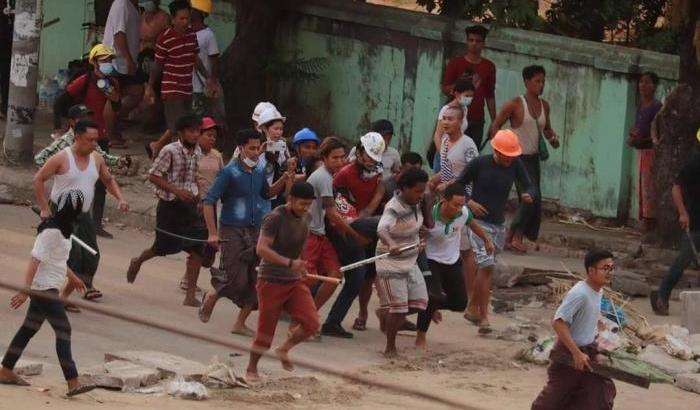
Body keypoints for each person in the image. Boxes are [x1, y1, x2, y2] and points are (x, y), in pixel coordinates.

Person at [0, 190, 96, 396]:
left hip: (49, 284)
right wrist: (26, 290)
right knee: (64, 329)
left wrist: (71, 276)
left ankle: (6, 370)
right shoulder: (51, 231)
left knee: (29, 328)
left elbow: (56, 259)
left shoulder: (64, 229)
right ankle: (73, 381)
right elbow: (35, 260)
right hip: (43, 288)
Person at [198, 129, 291, 335]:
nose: (256, 152)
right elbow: (209, 201)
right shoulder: (229, 173)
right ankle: (213, 295)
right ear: (241, 149)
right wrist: (212, 233)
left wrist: (284, 179)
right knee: (236, 280)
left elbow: (267, 194)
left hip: (256, 231)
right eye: (252, 148)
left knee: (258, 280)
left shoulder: (258, 172)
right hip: (232, 231)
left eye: (258, 148)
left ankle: (240, 323)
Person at [34, 120, 129, 306]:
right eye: (90, 140)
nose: (94, 144)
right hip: (61, 213)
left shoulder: (97, 158)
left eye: (96, 140)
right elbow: (38, 179)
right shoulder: (61, 158)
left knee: (91, 255)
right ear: (77, 137)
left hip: (83, 215)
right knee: (73, 256)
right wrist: (44, 208)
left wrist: (121, 198)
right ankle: (62, 298)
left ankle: (79, 288)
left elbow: (108, 180)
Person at [456, 130, 534, 333]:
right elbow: (458, 185)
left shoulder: (515, 165)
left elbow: (529, 185)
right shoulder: (479, 164)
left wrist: (528, 194)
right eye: (506, 155)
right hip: (477, 222)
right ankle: (482, 316)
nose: (509, 159)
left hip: (498, 224)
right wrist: (469, 202)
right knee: (487, 266)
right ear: (495, 151)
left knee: (487, 269)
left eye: (512, 156)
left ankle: (476, 308)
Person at [126, 115, 205, 307]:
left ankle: (190, 295)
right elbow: (153, 175)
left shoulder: (197, 152)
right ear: (181, 133)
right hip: (169, 205)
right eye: (191, 131)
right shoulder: (169, 151)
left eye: (198, 131)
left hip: (189, 206)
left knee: (197, 249)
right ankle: (138, 261)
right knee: (161, 247)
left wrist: (199, 196)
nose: (196, 135)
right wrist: (176, 190)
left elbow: (194, 177)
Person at [246, 181, 320, 382]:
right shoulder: (275, 218)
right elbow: (261, 249)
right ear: (291, 199)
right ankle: (251, 368)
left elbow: (302, 245)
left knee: (312, 323)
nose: (305, 208)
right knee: (265, 333)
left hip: (294, 280)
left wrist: (302, 266)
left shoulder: (307, 217)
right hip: (271, 279)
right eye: (302, 204)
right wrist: (289, 263)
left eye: (308, 204)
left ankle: (284, 349)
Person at [531, 248, 617, 410]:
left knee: (597, 394)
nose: (610, 272)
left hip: (586, 352)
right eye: (605, 268)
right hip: (568, 355)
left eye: (611, 268)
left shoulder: (598, 291)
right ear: (591, 270)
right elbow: (558, 322)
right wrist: (576, 353)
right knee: (552, 401)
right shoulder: (580, 293)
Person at [489, 65, 560, 253]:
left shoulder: (545, 106)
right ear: (527, 82)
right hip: (516, 157)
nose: (541, 85)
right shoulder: (515, 104)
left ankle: (515, 237)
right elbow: (495, 126)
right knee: (530, 196)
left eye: (543, 81)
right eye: (537, 81)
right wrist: (500, 149)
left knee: (531, 199)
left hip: (533, 158)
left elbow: (546, 129)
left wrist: (553, 138)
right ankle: (511, 236)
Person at [60, 44, 127, 238]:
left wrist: (115, 98)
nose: (107, 64)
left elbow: (116, 108)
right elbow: (62, 101)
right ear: (94, 62)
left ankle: (95, 224)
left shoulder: (112, 82)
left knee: (101, 181)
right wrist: (65, 125)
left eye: (109, 60)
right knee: (72, 175)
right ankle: (68, 218)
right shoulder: (84, 80)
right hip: (81, 135)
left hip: (100, 135)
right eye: (104, 60)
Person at [322, 132, 385, 338]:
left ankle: (332, 322)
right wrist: (356, 234)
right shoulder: (344, 175)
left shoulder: (377, 174)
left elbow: (379, 193)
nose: (371, 161)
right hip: (344, 228)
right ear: (358, 153)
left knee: (356, 278)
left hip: (360, 226)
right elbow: (339, 211)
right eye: (368, 156)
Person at [416, 183, 493, 348]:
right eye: (456, 205)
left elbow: (472, 223)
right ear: (444, 201)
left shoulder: (463, 213)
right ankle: (420, 336)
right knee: (432, 296)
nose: (459, 209)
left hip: (452, 260)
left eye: (462, 205)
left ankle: (428, 304)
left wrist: (486, 239)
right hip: (431, 260)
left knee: (459, 303)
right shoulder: (429, 217)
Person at [305, 137, 366, 316]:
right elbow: (331, 212)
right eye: (335, 158)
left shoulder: (329, 176)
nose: (340, 161)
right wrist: (354, 235)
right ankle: (302, 317)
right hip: (310, 234)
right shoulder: (323, 177)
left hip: (319, 233)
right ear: (324, 158)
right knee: (307, 280)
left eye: (342, 157)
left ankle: (309, 316)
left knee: (334, 275)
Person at [144, 0, 215, 155]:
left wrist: (208, 77)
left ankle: (156, 146)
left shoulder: (191, 35)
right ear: (173, 18)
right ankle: (176, 154)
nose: (185, 22)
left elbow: (195, 59)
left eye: (187, 18)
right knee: (180, 127)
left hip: (186, 87)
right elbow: (158, 65)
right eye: (181, 19)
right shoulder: (165, 38)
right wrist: (150, 86)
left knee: (181, 123)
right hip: (171, 87)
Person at [375, 167, 430, 357]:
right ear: (404, 188)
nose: (421, 195)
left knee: (419, 303)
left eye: (423, 191)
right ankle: (390, 346)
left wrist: (422, 231)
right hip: (390, 262)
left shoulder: (418, 202)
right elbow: (382, 229)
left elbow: (424, 224)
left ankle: (385, 314)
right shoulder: (393, 207)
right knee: (399, 309)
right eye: (418, 191)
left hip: (410, 259)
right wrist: (390, 243)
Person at [651, 133, 700, 316]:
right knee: (683, 260)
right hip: (695, 221)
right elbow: (676, 187)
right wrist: (683, 213)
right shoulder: (695, 164)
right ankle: (661, 295)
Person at [442, 25, 496, 149]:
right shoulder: (455, 63)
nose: (474, 44)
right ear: (466, 41)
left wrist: (494, 121)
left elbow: (490, 95)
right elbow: (446, 89)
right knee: (450, 150)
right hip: (455, 116)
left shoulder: (489, 66)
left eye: (478, 41)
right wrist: (463, 83)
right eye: (471, 40)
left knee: (471, 154)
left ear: (483, 43)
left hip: (476, 119)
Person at [102, 0, 145, 147]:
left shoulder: (135, 7)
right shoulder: (121, 5)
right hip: (114, 60)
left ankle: (115, 123)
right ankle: (111, 136)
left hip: (126, 61)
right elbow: (119, 36)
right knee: (113, 97)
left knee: (137, 91)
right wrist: (129, 59)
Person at [627, 71, 663, 236]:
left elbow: (658, 134)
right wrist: (633, 136)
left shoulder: (657, 107)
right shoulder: (641, 106)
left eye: (648, 83)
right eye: (641, 82)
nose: (643, 86)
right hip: (642, 151)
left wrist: (640, 141)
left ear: (654, 86)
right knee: (643, 186)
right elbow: (638, 127)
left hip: (651, 151)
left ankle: (650, 223)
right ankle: (645, 221)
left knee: (650, 188)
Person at [190, 0, 221, 118]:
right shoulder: (186, 31)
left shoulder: (209, 35)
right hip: (185, 85)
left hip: (199, 86)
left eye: (191, 8)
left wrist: (212, 81)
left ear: (198, 12)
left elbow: (214, 60)